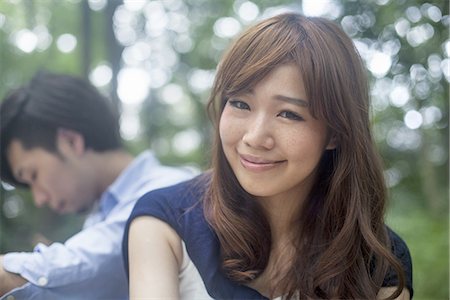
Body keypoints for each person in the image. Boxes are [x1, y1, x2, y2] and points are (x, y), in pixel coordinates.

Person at [123, 12, 413, 299]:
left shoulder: (377, 260)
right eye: (240, 104)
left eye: (289, 114)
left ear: (335, 133)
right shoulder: (165, 221)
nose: (255, 137)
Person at [0, 71, 195, 299]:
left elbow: (96, 260)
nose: (39, 198)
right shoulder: (100, 217)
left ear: (70, 142)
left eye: (33, 176)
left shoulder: (171, 190)